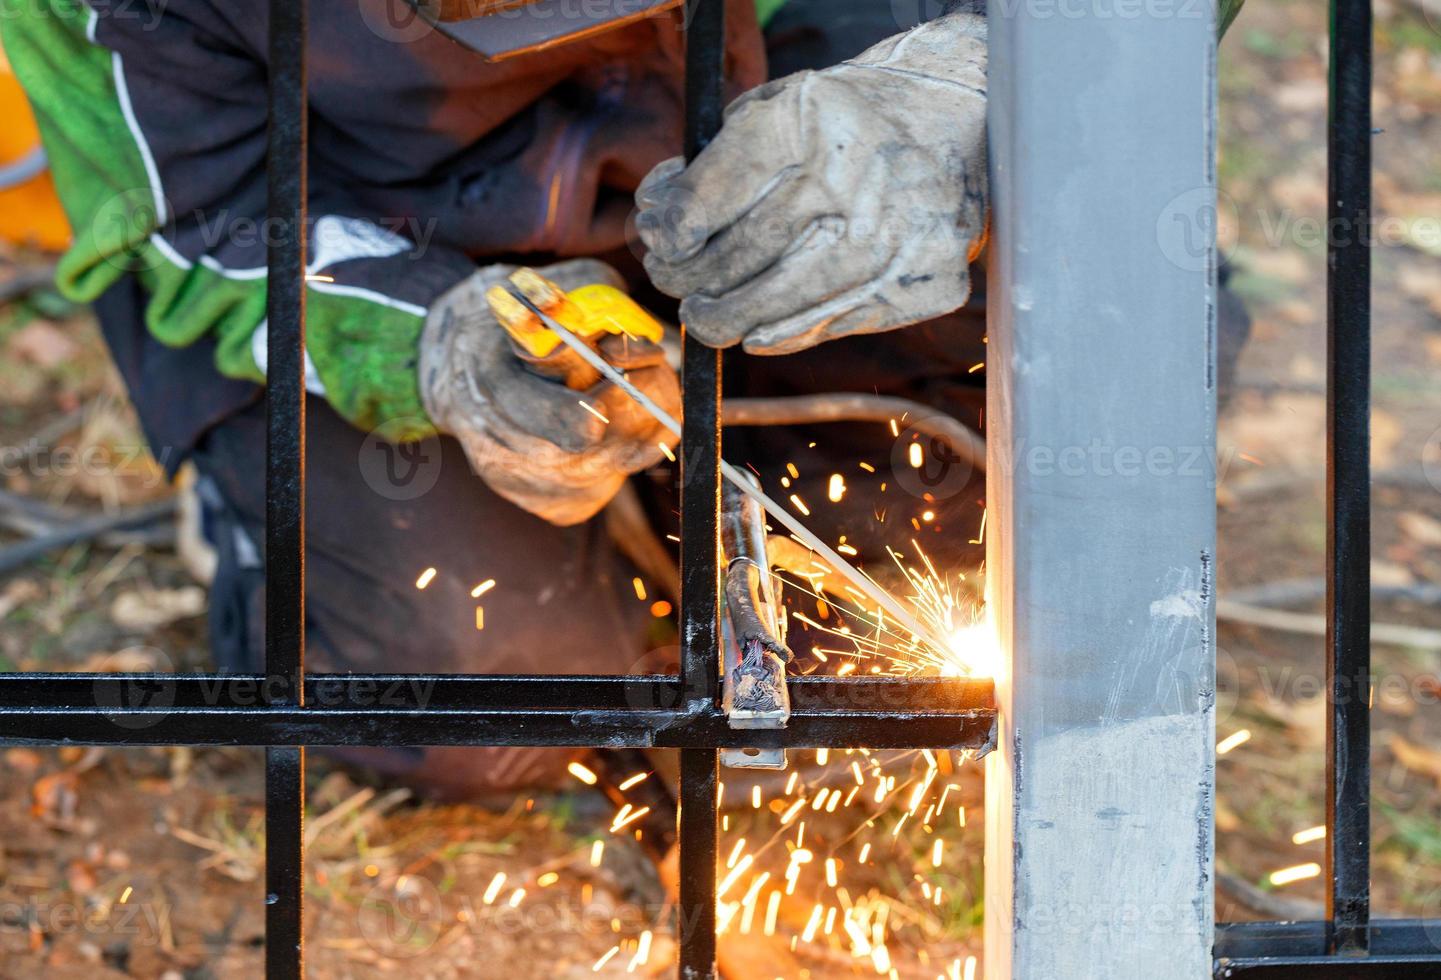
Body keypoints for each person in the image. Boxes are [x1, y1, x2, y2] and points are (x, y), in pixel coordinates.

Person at [2, 0, 1245, 797]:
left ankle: (707, 535)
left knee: (1127, 334)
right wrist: (431, 343)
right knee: (488, 702)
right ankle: (286, 537)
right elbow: (200, 222)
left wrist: (965, 84)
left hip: (739, 96)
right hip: (369, 228)